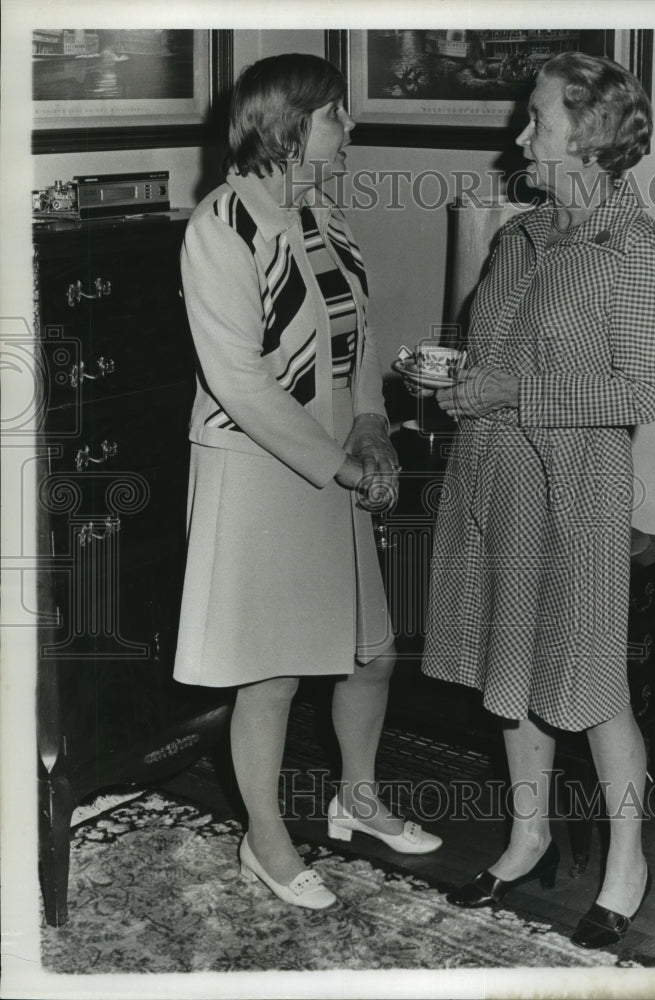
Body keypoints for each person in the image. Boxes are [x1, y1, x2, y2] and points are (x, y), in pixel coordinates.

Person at [418, 51, 655, 947]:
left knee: (591, 682)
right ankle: (527, 837)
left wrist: (509, 394)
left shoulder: (636, 251)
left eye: (537, 118)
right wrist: (458, 383)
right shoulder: (520, 236)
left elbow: (636, 394)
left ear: (592, 135)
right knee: (509, 669)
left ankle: (625, 864)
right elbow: (488, 354)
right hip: (495, 477)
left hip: (575, 492)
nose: (520, 134)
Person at [173, 53, 441, 912]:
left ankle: (355, 800)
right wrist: (341, 464)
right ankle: (266, 839)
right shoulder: (220, 226)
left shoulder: (323, 216)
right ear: (289, 126)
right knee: (274, 672)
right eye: (336, 116)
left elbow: (357, 340)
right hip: (258, 469)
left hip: (334, 458)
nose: (348, 129)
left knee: (372, 650)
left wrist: (369, 424)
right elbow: (242, 383)